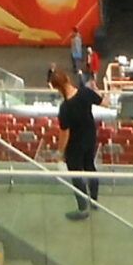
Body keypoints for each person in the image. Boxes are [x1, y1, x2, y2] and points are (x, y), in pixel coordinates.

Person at [53, 66, 103, 219]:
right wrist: (96, 90)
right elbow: (104, 102)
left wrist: (60, 152)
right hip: (90, 137)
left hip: (75, 145)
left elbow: (65, 133)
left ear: (57, 88)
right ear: (68, 79)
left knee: (76, 174)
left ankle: (83, 209)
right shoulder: (85, 93)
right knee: (90, 167)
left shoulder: (65, 108)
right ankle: (94, 200)